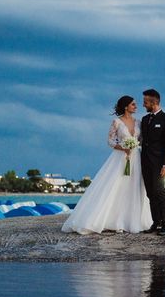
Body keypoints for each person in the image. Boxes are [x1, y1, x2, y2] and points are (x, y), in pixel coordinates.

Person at [62, 96, 153, 234]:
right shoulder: (116, 122)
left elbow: (141, 140)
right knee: (115, 186)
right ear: (125, 106)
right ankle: (112, 219)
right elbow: (110, 141)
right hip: (120, 158)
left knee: (133, 188)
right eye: (133, 104)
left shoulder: (139, 122)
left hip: (136, 159)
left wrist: (135, 146)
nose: (136, 106)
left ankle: (130, 220)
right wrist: (123, 148)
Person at [140, 89, 165, 236]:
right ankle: (156, 222)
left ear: (154, 103)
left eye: (145, 102)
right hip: (145, 162)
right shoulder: (144, 119)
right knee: (150, 193)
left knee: (159, 192)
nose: (143, 104)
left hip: (159, 164)